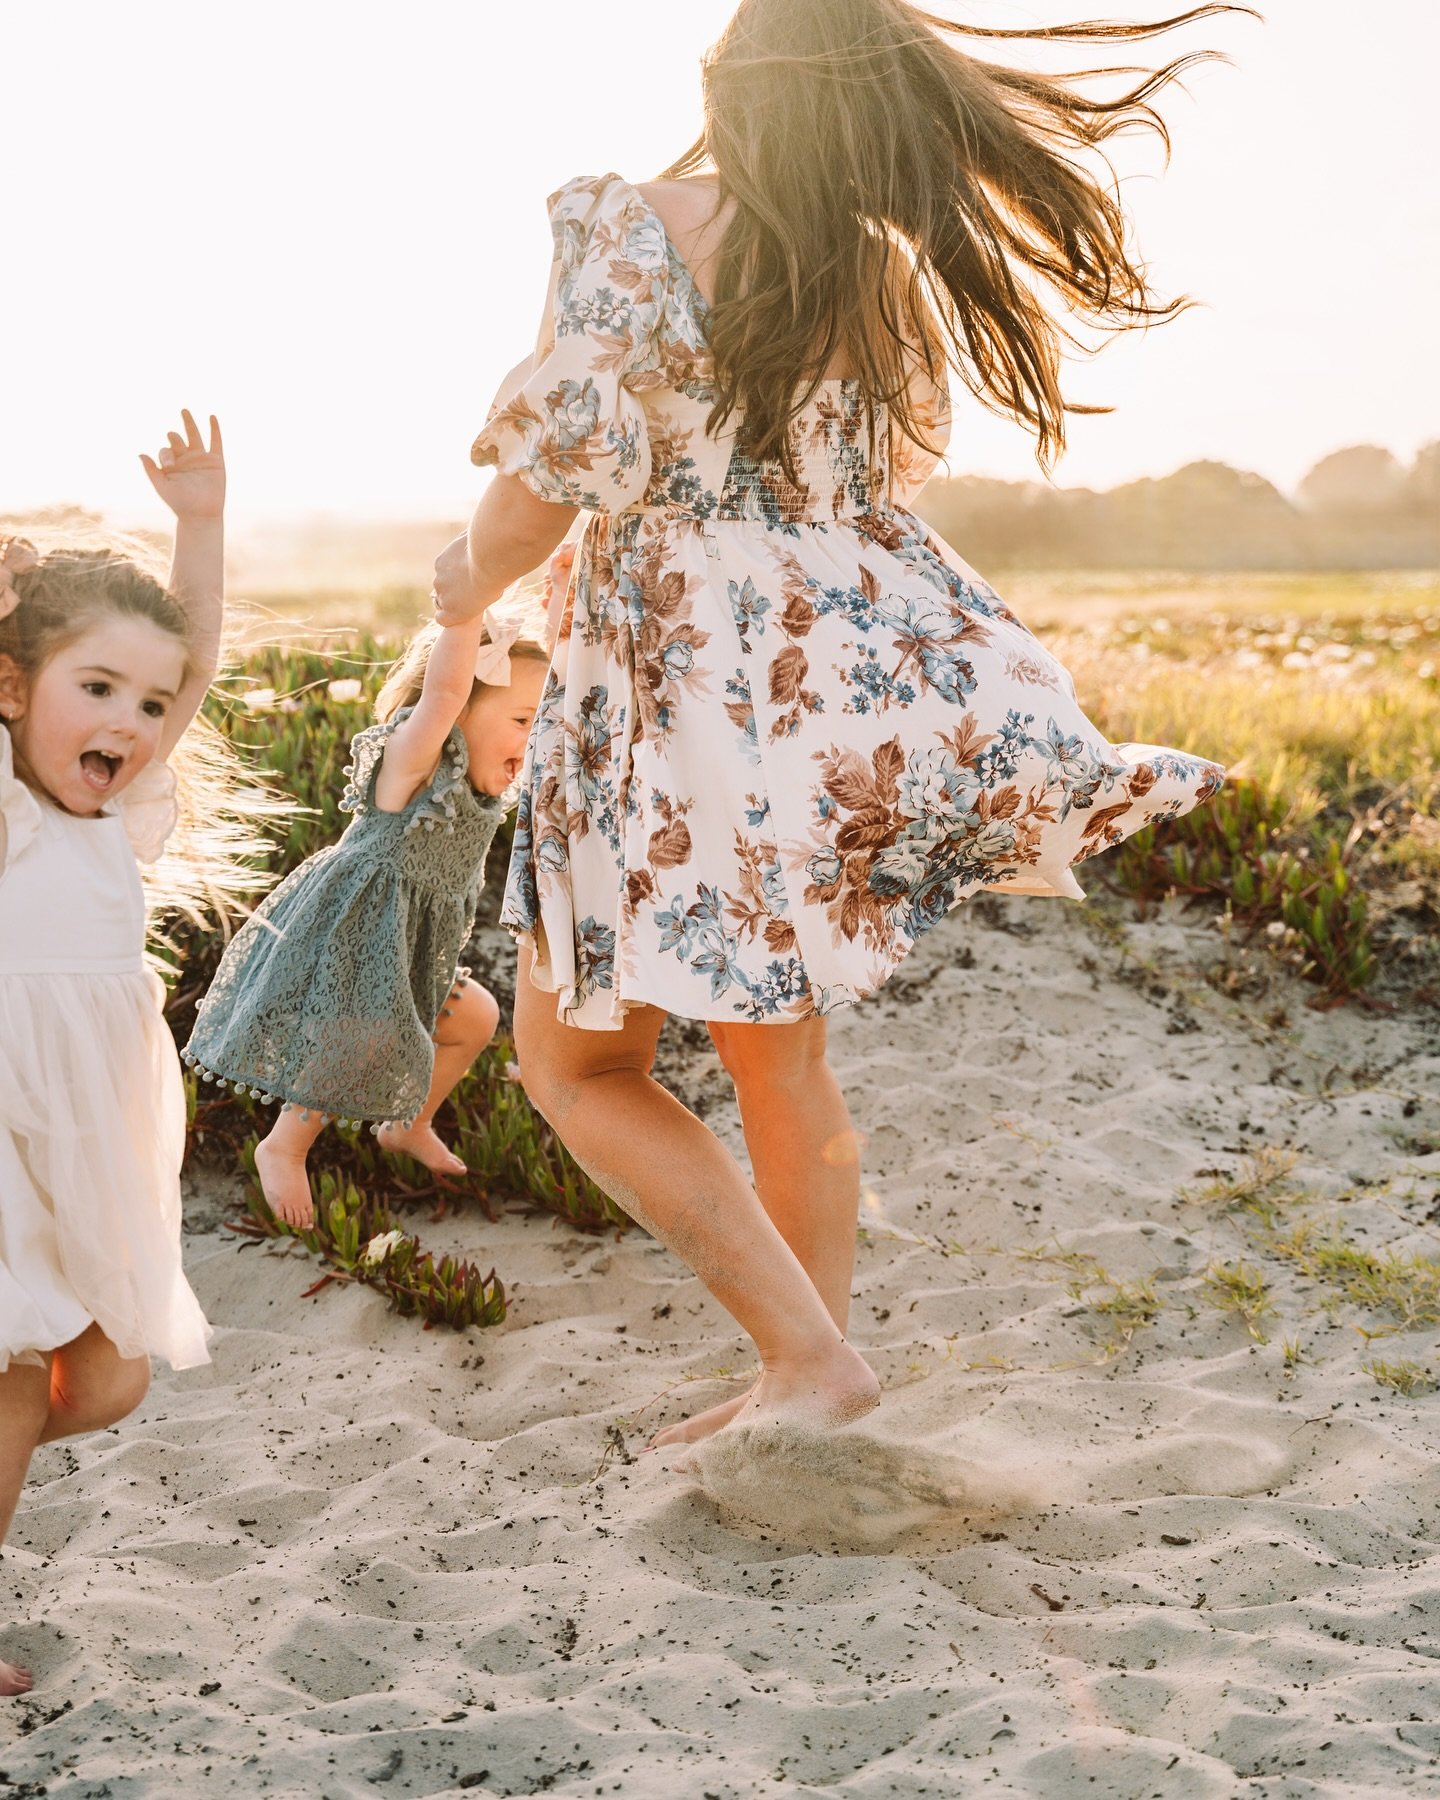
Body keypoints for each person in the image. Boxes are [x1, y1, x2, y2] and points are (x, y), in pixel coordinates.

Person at [432, 0, 1231, 1449]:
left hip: (665, 684)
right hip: (814, 696)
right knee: (779, 1060)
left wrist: (470, 572)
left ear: (724, 82)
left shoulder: (624, 222)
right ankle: (811, 1381)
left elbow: (563, 466)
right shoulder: (869, 275)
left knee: (579, 1065)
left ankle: (808, 1360)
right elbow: (887, 470)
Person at [0, 413, 252, 1696]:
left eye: (147, 704)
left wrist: (197, 526)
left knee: (100, 1377)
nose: (132, 720)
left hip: (85, 1142)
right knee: (6, 1365)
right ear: (11, 691)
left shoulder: (118, 823)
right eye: (94, 688)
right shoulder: (8, 814)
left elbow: (192, 666)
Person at [183, 605, 548, 1227]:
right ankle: (283, 1146)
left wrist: (566, 592)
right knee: (365, 1034)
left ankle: (408, 1125)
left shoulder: (486, 792)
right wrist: (463, 620)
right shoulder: (417, 762)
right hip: (353, 938)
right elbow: (444, 692)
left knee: (477, 1018)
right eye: (521, 720)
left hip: (408, 956)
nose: (535, 737)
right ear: (460, 715)